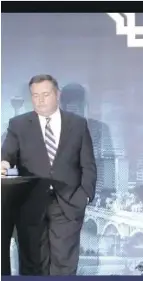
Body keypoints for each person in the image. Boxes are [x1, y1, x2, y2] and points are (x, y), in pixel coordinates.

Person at [1, 74, 97, 275]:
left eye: (45, 94)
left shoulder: (78, 124)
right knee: (33, 266)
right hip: (30, 205)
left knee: (65, 266)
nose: (40, 100)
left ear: (57, 95)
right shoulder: (18, 124)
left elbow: (88, 165)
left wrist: (85, 196)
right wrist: (3, 162)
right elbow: (8, 151)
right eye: (35, 95)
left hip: (69, 204)